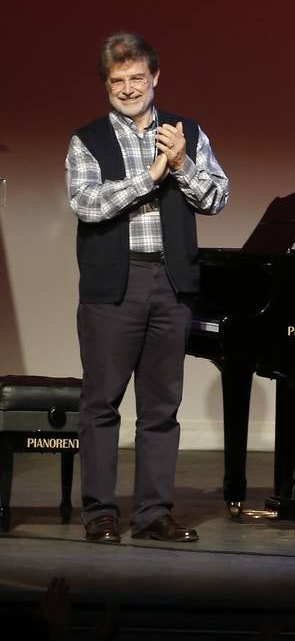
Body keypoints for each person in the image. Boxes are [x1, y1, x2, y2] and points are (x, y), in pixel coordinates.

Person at [67, 32, 229, 545]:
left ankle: (154, 513)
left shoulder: (188, 133)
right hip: (115, 286)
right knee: (102, 402)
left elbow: (218, 197)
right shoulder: (86, 140)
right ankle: (100, 512)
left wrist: (180, 165)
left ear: (155, 77)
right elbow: (87, 203)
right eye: (119, 81)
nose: (130, 88)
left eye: (138, 78)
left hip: (171, 282)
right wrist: (148, 178)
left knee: (161, 406)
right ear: (106, 86)